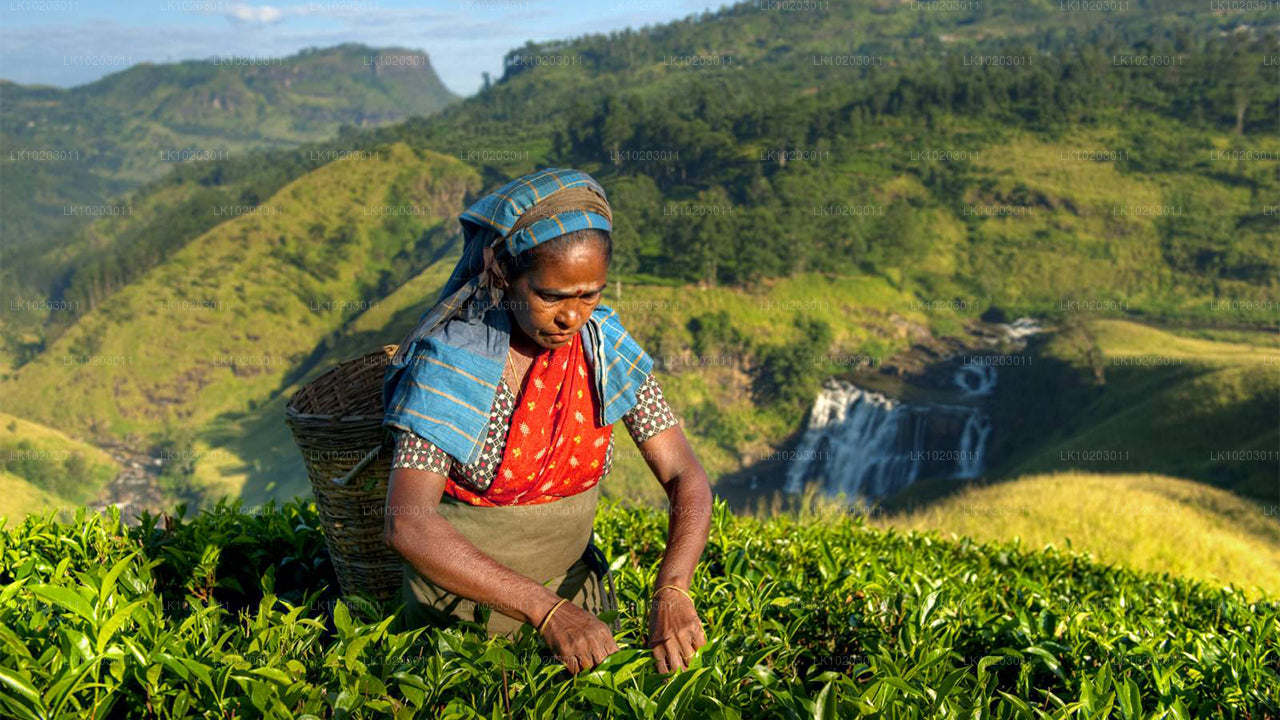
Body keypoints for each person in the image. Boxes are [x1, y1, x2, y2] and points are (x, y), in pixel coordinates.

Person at [380, 167, 713, 676]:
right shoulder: (452, 361)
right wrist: (545, 610)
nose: (571, 317)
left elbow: (683, 475)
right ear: (505, 274)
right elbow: (408, 523)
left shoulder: (603, 347)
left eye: (590, 294)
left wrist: (673, 589)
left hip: (581, 611)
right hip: (460, 626)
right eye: (550, 296)